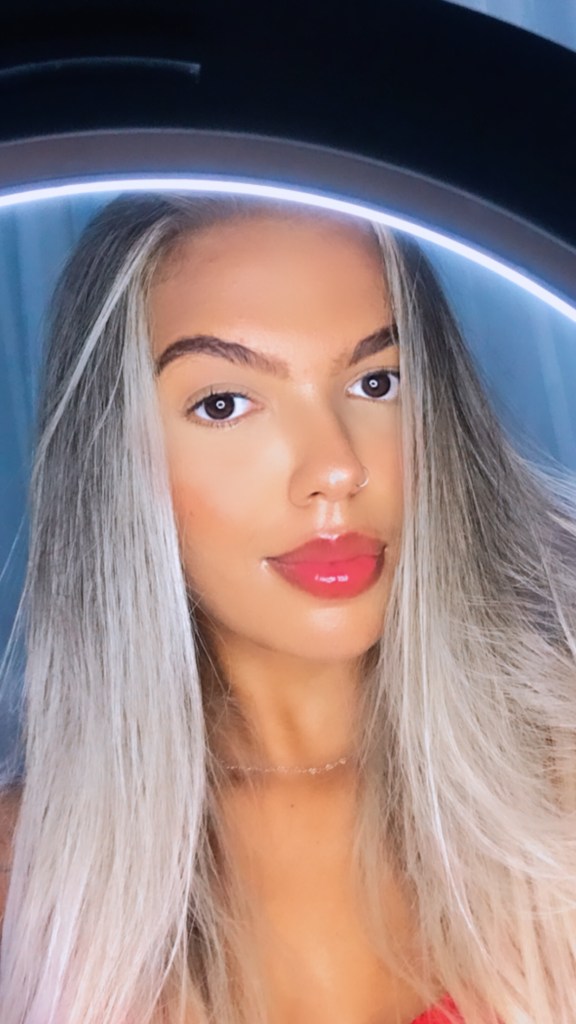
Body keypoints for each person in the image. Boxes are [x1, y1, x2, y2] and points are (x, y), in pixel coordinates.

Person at [0, 193, 575, 1024]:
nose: (335, 467)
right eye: (224, 404)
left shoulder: (560, 786)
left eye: (377, 382)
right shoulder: (25, 881)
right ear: (115, 464)